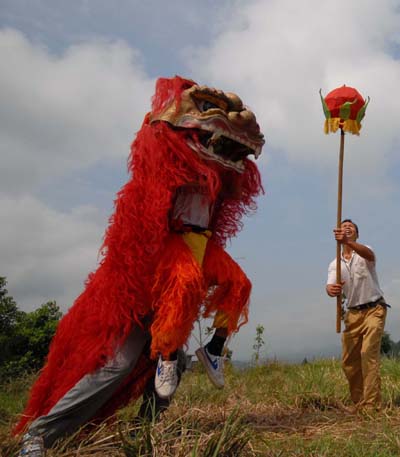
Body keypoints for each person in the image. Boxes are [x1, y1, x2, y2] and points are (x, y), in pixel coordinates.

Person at [16, 77, 264, 456]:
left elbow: (235, 183)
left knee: (229, 295)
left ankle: (154, 421)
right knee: (118, 365)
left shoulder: (214, 181)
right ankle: (39, 434)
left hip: (188, 267)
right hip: (145, 289)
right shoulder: (163, 172)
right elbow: (150, 186)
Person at [325, 219, 388, 410]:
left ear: (356, 235)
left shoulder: (364, 251)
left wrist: (348, 242)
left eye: (351, 227)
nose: (347, 228)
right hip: (352, 314)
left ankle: (372, 404)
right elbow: (329, 286)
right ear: (337, 235)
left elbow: (369, 254)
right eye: (344, 227)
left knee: (367, 353)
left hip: (374, 309)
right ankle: (359, 402)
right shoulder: (335, 264)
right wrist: (331, 290)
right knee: (349, 362)